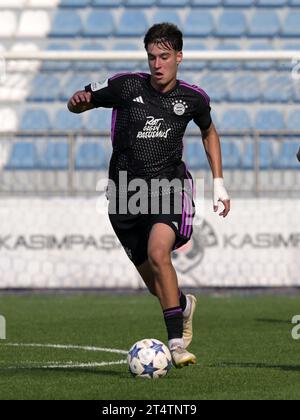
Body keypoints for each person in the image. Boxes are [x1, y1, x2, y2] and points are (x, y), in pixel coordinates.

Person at [68, 23, 230, 369]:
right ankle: (183, 306)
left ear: (179, 57)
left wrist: (219, 182)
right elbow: (80, 101)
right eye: (152, 57)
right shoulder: (125, 85)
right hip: (125, 196)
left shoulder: (193, 98)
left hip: (169, 189)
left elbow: (209, 131)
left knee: (160, 253)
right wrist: (79, 103)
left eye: (165, 57)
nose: (157, 64)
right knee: (157, 285)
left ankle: (174, 344)